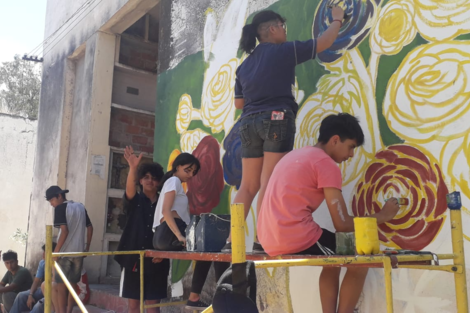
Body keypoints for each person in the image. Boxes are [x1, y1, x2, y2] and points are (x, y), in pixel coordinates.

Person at [223, 6, 346, 253]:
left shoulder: (243, 67)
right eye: (283, 27)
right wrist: (337, 19)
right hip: (277, 118)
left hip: (247, 123)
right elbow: (324, 42)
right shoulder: (284, 51)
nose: (285, 32)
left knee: (247, 185)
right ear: (272, 29)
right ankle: (261, 238)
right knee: (269, 180)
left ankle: (231, 242)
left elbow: (238, 103)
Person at [257, 113, 401, 313]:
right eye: (351, 147)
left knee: (332, 258)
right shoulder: (325, 164)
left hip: (269, 238)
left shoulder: (296, 155)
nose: (351, 155)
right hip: (292, 237)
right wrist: (382, 216)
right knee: (364, 258)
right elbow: (342, 224)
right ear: (335, 140)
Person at [152, 153, 229, 311]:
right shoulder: (173, 181)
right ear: (177, 166)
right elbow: (166, 212)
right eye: (188, 170)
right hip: (170, 235)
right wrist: (179, 236)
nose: (191, 175)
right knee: (213, 249)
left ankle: (200, 297)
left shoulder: (173, 183)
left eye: (193, 172)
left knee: (208, 250)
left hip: (165, 238)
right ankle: (223, 296)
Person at [114, 146, 168, 313]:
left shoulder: (165, 204)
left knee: (153, 306)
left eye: (153, 178)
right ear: (140, 180)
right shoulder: (135, 200)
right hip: (133, 260)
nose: (149, 180)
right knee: (134, 306)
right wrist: (133, 168)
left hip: (157, 260)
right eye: (145, 177)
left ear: (159, 182)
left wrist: (164, 253)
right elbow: (129, 190)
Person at [46, 185, 93, 313]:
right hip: (78, 253)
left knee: (61, 287)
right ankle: (69, 311)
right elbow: (90, 228)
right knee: (72, 286)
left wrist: (56, 252)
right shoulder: (80, 207)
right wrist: (87, 247)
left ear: (59, 196)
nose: (52, 204)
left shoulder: (60, 208)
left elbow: (64, 231)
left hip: (65, 254)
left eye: (52, 201)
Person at [9, 243, 56, 313]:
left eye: (46, 251)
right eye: (43, 251)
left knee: (39, 305)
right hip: (43, 289)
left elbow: (55, 282)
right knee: (21, 295)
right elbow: (36, 281)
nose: (43, 254)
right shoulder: (42, 263)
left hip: (54, 292)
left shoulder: (58, 263)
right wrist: (30, 295)